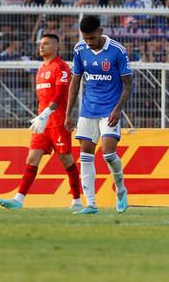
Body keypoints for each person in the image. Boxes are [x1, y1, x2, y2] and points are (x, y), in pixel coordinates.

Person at [0, 34, 82, 210]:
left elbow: (61, 93)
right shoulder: (41, 69)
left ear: (56, 47)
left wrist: (48, 113)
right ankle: (19, 199)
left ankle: (77, 200)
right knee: (32, 157)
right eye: (40, 44)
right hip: (42, 123)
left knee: (66, 159)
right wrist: (40, 116)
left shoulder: (62, 67)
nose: (41, 47)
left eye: (46, 44)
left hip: (57, 121)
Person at [63, 15, 131, 214]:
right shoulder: (79, 49)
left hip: (109, 110)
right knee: (85, 156)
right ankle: (91, 204)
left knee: (109, 153)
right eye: (85, 39)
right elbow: (75, 82)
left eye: (91, 38)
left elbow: (128, 84)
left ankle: (121, 190)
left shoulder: (117, 51)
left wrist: (118, 110)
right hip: (88, 110)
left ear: (101, 31)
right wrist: (69, 114)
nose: (89, 43)